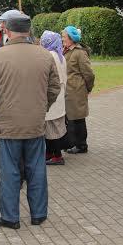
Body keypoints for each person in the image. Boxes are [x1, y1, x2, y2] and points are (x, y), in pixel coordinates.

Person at [0, 12, 60, 229]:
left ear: (7, 31)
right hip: (35, 122)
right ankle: (38, 214)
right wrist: (42, 108)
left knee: (10, 171)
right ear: (28, 31)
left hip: (8, 124)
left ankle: (10, 216)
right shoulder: (45, 55)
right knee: (37, 169)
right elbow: (54, 88)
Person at [62, 26, 95, 154]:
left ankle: (81, 145)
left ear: (71, 38)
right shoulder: (66, 51)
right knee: (70, 118)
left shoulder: (79, 53)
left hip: (76, 90)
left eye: (64, 37)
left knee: (78, 118)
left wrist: (88, 88)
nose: (62, 39)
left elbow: (89, 74)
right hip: (68, 90)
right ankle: (72, 143)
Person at [40, 31, 68, 165]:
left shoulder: (49, 56)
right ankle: (50, 153)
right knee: (53, 127)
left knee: (51, 129)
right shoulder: (60, 55)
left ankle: (57, 156)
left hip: (51, 96)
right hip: (59, 96)